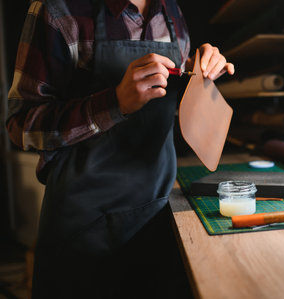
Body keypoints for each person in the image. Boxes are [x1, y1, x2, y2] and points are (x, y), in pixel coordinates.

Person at [6, 0, 234, 298]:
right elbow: (20, 126)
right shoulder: (58, 9)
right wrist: (114, 102)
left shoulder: (171, 10)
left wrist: (195, 72)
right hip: (85, 228)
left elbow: (169, 90)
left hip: (159, 213)